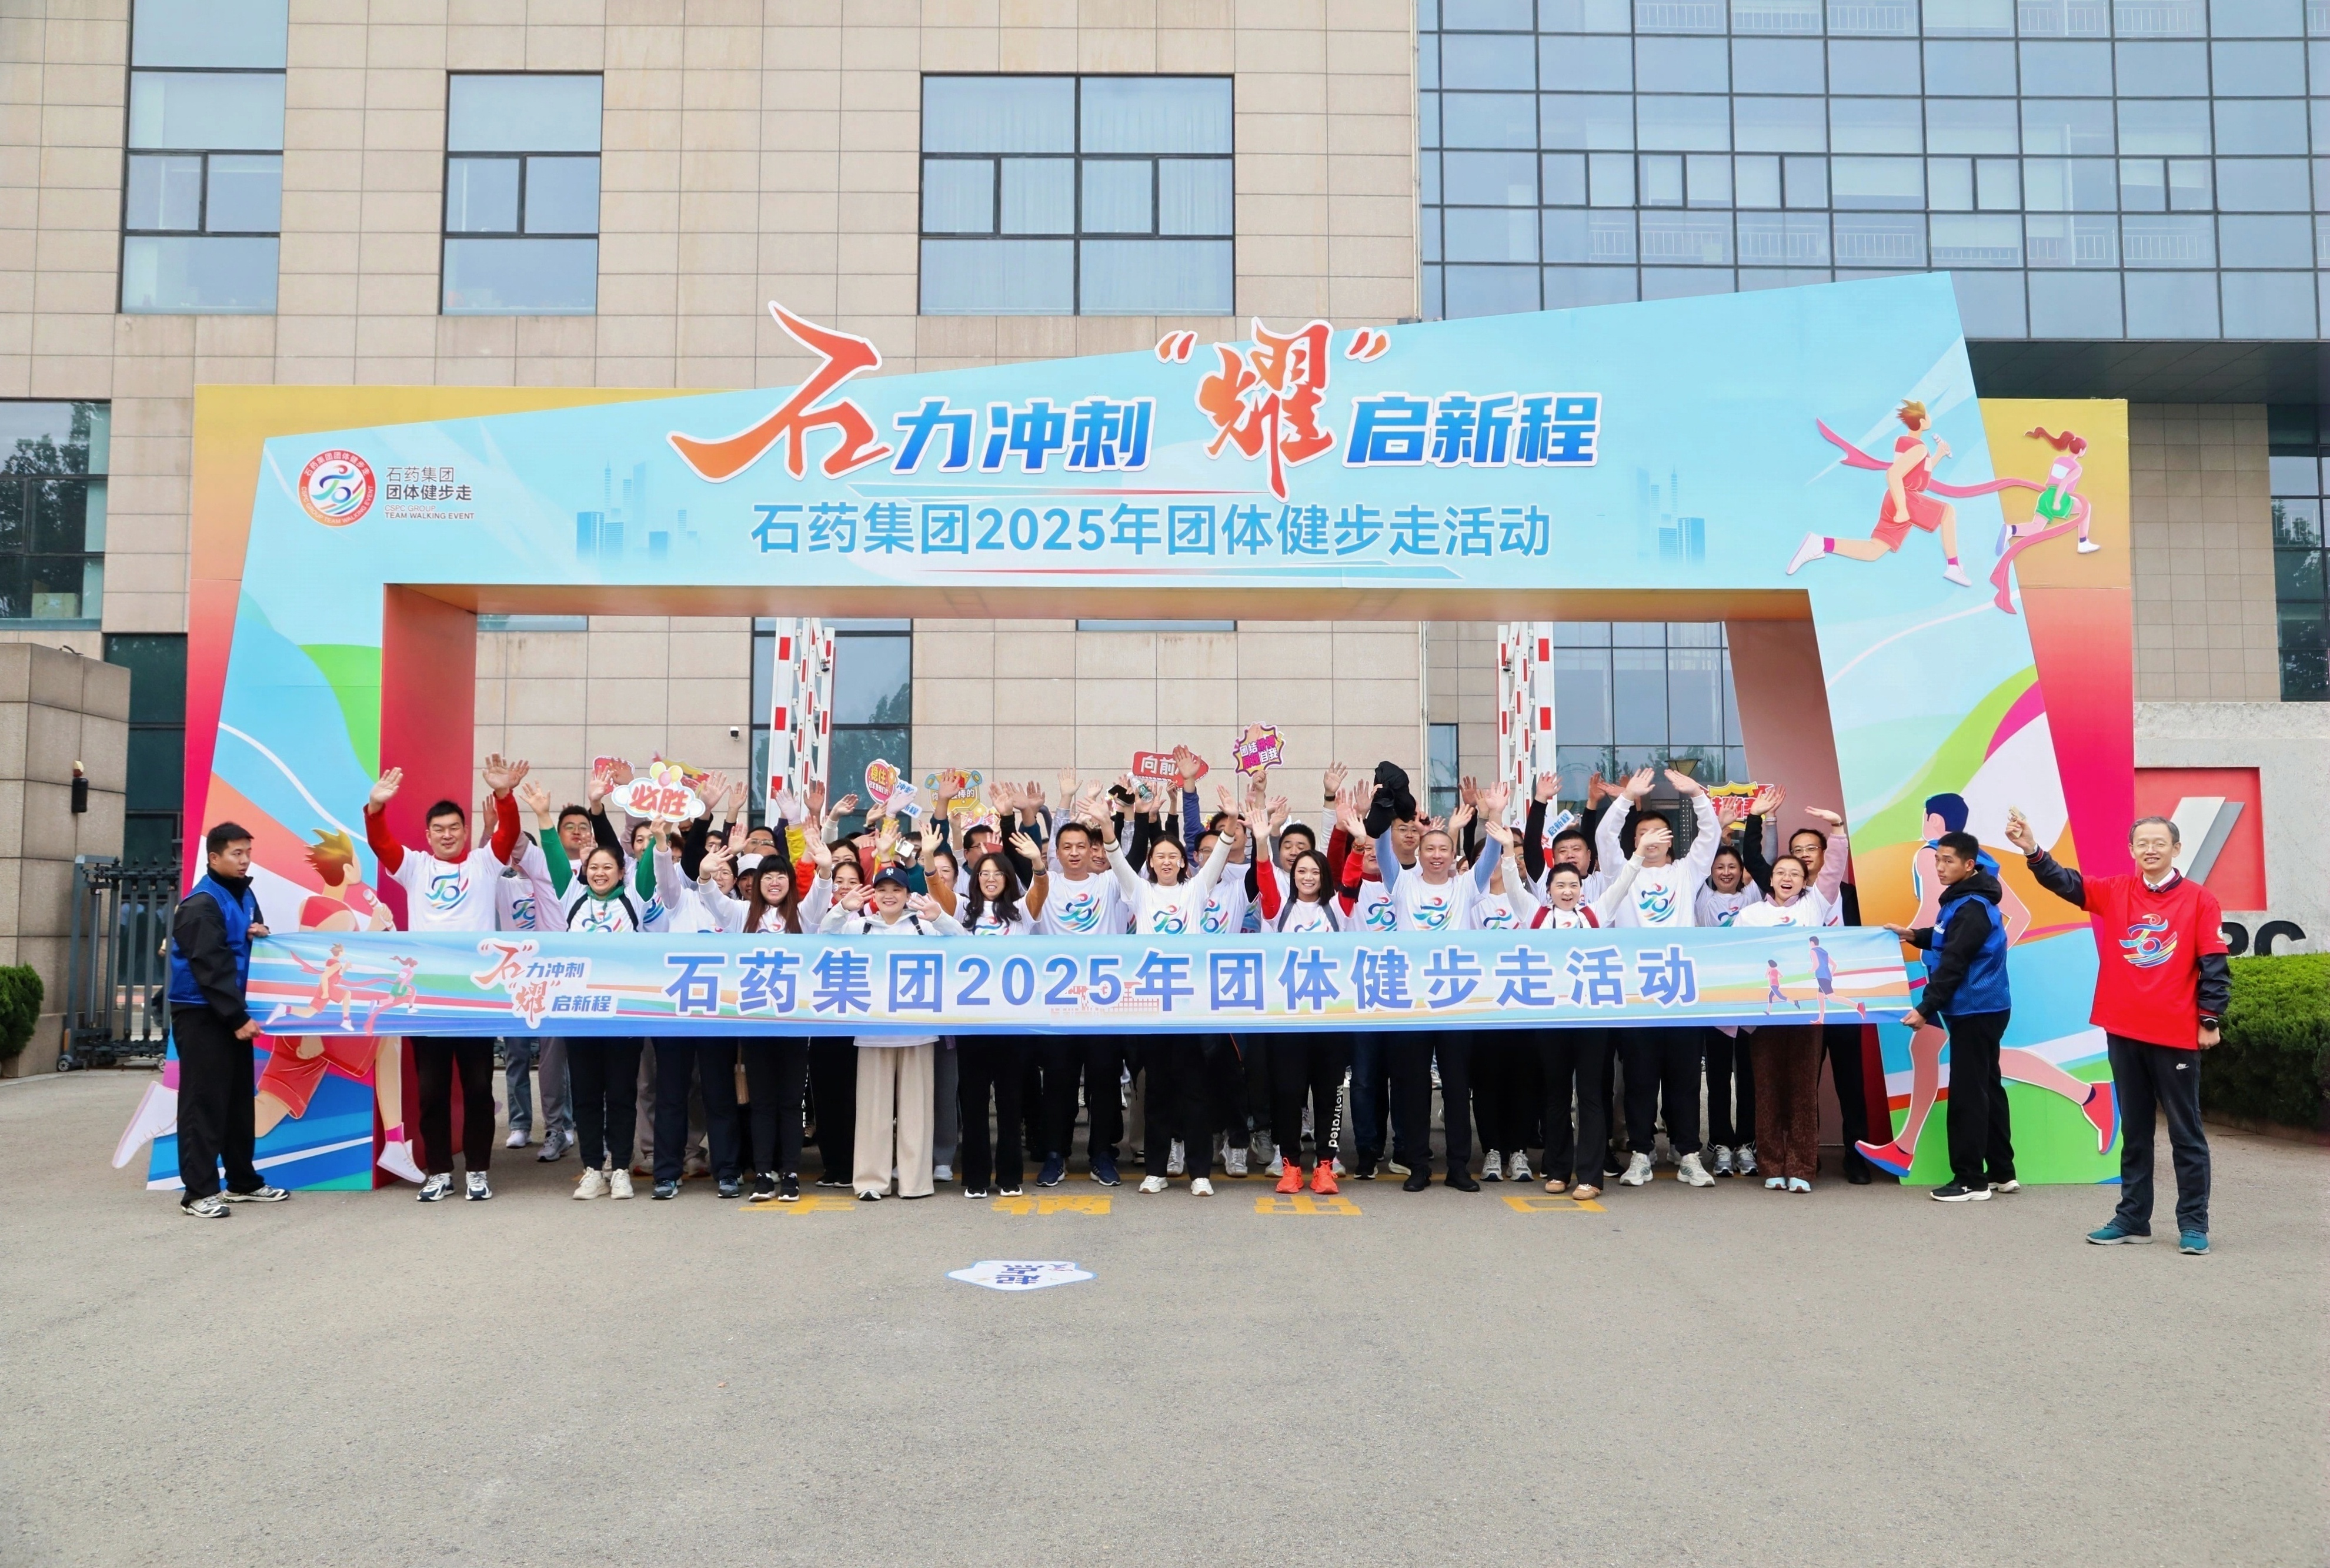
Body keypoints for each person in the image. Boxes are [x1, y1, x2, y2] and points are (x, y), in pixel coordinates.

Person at [2005, 810, 2229, 1255]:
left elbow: (2214, 965)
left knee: (2186, 1132)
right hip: (2124, 1030)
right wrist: (2032, 849)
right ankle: (2133, 1218)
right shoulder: (2116, 891)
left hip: (2175, 1033)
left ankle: (2193, 1224)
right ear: (2131, 850)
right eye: (2142, 843)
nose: (2151, 850)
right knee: (2136, 1131)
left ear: (2176, 849)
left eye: (2159, 843)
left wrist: (2209, 1019)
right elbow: (2067, 884)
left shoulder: (2200, 900)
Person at [365, 756, 526, 1202]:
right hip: (427, 1000)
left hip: (475, 998)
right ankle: (438, 1171)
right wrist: (375, 809)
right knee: (432, 1091)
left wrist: (504, 795)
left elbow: (508, 833)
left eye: (455, 827)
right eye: (439, 829)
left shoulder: (484, 864)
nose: (448, 834)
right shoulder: (414, 866)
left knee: (477, 1089)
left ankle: (478, 1170)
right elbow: (381, 844)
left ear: (465, 831)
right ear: (429, 834)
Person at [1369, 777, 1508, 1192]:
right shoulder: (1401, 883)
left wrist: (1494, 813)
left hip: (1456, 1002)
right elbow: (1381, 846)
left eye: (1443, 849)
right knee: (1412, 1088)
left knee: (1457, 1088)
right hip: (1411, 1003)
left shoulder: (1467, 886)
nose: (1435, 855)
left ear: (1453, 855)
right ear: (1419, 852)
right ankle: (1417, 1165)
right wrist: (1384, 807)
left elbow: (1492, 854)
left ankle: (1459, 1167)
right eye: (1428, 848)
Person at [520, 779, 658, 1201]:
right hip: (579, 1012)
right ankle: (592, 1169)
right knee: (586, 1095)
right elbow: (554, 858)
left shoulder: (634, 899)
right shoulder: (572, 897)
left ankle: (621, 1168)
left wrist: (660, 834)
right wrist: (544, 816)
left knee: (621, 1094)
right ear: (584, 871)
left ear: (621, 872)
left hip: (623, 1015)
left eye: (608, 868)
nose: (599, 873)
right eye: (593, 867)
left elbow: (651, 869)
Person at [1597, 767, 1721, 1189]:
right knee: (1640, 1079)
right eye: (1642, 834)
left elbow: (1711, 836)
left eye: (1658, 833)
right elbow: (1604, 836)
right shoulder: (1622, 872)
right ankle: (1641, 1152)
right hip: (1637, 994)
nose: (1650, 839)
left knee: (1684, 1079)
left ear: (1671, 840)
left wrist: (1697, 794)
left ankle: (1688, 1153)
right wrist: (1624, 798)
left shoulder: (1686, 872)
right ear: (1633, 842)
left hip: (1681, 992)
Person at [1106, 794, 1233, 1196]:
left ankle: (1200, 1173)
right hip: (1152, 1009)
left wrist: (1231, 817)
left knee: (1195, 1092)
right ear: (1151, 861)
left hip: (1190, 1008)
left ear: (1182, 862)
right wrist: (1107, 825)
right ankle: (1156, 1170)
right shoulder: (1140, 892)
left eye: (1172, 856)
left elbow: (1220, 854)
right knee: (1157, 1091)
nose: (1165, 861)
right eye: (1159, 856)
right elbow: (1116, 860)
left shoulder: (1196, 891)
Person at [166, 822, 291, 1217]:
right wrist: (237, 1017)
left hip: (230, 1009)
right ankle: (198, 1193)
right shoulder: (201, 904)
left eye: (248, 852)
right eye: (237, 853)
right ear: (214, 857)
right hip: (201, 1013)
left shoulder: (244, 893)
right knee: (203, 1102)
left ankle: (242, 1182)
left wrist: (261, 932)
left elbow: (243, 942)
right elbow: (210, 966)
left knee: (238, 1101)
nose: (245, 860)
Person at [1885, 830, 2014, 1203]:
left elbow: (1954, 962)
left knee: (1968, 1095)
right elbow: (1947, 937)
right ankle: (2003, 1172)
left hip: (1976, 1010)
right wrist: (1913, 934)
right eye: (1938, 860)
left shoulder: (1972, 906)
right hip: (1984, 1008)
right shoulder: (1965, 899)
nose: (1940, 867)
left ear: (1969, 865)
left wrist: (1925, 1008)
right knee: (1987, 1086)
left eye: (1948, 861)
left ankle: (1971, 1181)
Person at [821, 867, 965, 1200]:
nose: (889, 896)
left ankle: (915, 1182)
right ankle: (872, 1181)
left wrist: (940, 916)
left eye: (896, 890)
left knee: (917, 1112)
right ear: (874, 894)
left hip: (919, 1032)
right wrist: (843, 908)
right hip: (872, 1033)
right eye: (882, 889)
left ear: (906, 894)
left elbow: (961, 941)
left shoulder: (922, 926)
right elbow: (824, 934)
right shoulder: (860, 927)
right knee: (873, 1112)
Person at [1788, 399, 1973, 587]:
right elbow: (1893, 474)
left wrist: (1939, 454)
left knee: (1874, 551)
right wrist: (1902, 509)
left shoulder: (1904, 444)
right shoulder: (1919, 448)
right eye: (1927, 415)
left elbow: (1919, 471)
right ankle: (1953, 566)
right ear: (1923, 421)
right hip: (1906, 498)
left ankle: (1821, 543)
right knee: (1948, 512)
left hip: (1896, 497)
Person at [955, 841, 1044, 1200]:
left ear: (1008, 878)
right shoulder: (963, 909)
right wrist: (929, 860)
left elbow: (1040, 893)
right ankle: (976, 1179)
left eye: (997, 874)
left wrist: (1037, 863)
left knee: (1010, 1103)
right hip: (972, 1023)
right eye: (984, 873)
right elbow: (938, 893)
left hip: (1012, 1022)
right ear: (975, 879)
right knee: (974, 1103)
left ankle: (1010, 1177)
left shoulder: (1020, 912)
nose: (990, 879)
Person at [1734, 855, 1828, 1193]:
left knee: (1803, 1089)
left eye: (1795, 874)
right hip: (1765, 1014)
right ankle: (1772, 1165)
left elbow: (1832, 869)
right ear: (1770, 879)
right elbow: (1736, 956)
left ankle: (1801, 1167)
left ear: (1805, 881)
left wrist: (1838, 833)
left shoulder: (1814, 906)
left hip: (1807, 1011)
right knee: (1767, 1088)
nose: (1787, 878)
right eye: (1781, 873)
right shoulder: (1750, 915)